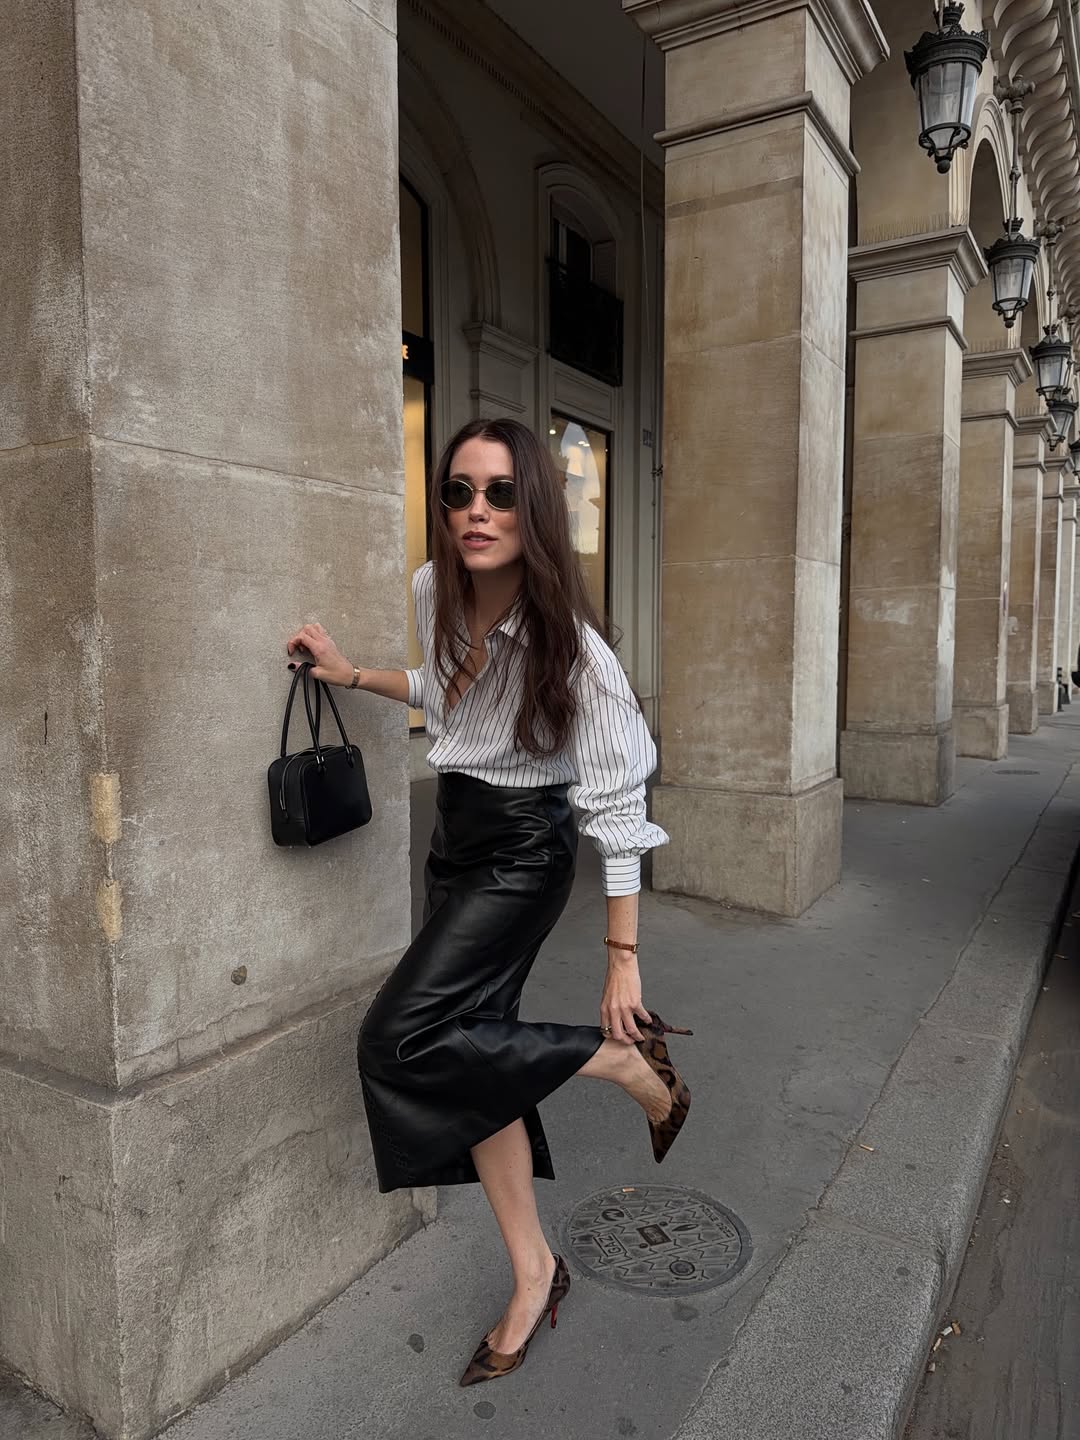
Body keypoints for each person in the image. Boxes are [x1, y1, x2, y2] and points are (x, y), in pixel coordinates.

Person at [285, 417, 691, 1388]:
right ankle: (532, 1273)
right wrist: (347, 674)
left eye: (500, 493)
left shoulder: (578, 653)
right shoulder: (436, 590)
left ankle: (617, 1059)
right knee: (474, 1059)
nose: (475, 511)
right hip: (454, 841)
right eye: (459, 491)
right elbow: (444, 689)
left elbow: (620, 808)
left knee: (400, 1039)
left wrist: (621, 959)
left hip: (522, 853)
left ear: (534, 508)